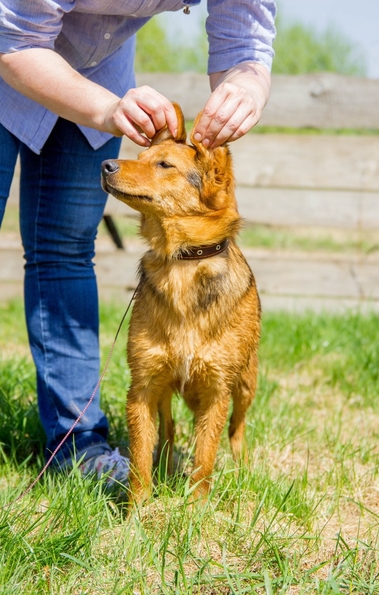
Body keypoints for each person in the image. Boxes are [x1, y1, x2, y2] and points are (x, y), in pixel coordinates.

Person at [0, 0, 276, 487]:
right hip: (12, 51)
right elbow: (16, 38)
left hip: (101, 67)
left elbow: (246, 36)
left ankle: (75, 443)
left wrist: (245, 85)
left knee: (63, 251)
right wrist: (105, 107)